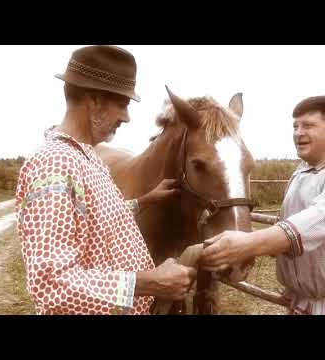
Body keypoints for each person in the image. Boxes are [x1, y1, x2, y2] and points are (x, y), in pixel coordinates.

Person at [15, 45, 196, 315]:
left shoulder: (86, 156)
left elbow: (93, 219)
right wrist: (149, 283)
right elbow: (50, 285)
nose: (126, 117)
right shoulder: (53, 165)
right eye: (123, 104)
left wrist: (145, 200)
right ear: (95, 99)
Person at [201, 96, 325, 315]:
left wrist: (246, 244)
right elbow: (286, 226)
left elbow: (315, 221)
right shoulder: (301, 172)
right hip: (301, 303)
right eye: (295, 126)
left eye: (308, 125)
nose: (298, 132)